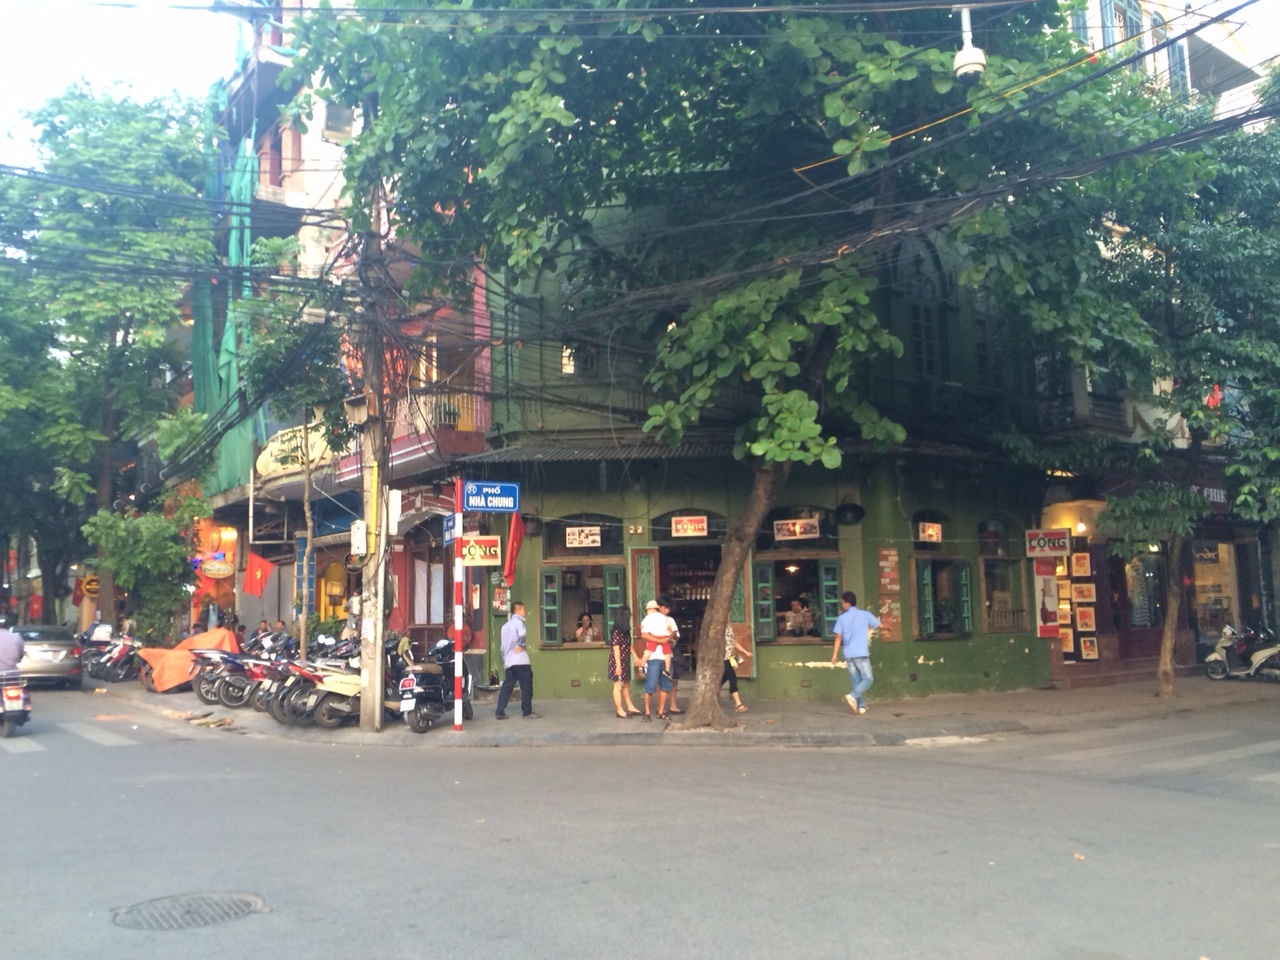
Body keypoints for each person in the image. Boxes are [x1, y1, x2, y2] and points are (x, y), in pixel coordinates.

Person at [831, 590, 880, 715]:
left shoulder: (841, 618)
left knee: (856, 680)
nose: (842, 605)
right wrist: (889, 628)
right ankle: (853, 696)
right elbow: (879, 625)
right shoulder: (865, 614)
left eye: (843, 603)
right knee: (868, 678)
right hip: (861, 653)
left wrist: (834, 655)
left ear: (847, 603)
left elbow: (838, 637)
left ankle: (861, 706)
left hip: (848, 654)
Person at [495, 601, 540, 719]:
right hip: (521, 660)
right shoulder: (519, 623)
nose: (525, 612)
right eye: (523, 609)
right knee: (526, 686)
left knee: (507, 686)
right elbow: (523, 634)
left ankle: (499, 710)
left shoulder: (505, 626)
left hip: (510, 660)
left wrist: (505, 659)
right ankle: (527, 711)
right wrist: (521, 645)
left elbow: (503, 646)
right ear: (518, 610)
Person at [638, 597, 675, 720]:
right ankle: (648, 712)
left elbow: (674, 636)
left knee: (664, 686)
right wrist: (661, 640)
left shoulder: (667, 619)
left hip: (661, 656)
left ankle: (660, 711)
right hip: (655, 658)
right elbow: (644, 634)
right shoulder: (654, 619)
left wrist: (666, 637)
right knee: (651, 685)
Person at [607, 606, 641, 718]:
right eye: (629, 615)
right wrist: (618, 666)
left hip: (625, 661)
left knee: (626, 684)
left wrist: (635, 656)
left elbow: (629, 645)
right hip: (617, 662)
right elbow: (616, 650)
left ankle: (630, 707)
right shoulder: (616, 632)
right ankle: (619, 710)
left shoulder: (626, 631)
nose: (630, 617)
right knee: (618, 685)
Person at [720, 624, 752, 713]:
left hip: (731, 656)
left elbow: (733, 642)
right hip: (723, 658)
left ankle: (711, 693)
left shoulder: (729, 627)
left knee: (724, 678)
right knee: (732, 678)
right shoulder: (718, 628)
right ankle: (738, 704)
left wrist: (745, 652)